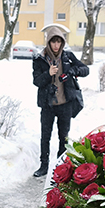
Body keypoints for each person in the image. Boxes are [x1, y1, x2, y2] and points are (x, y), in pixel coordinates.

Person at [31, 25, 89, 178]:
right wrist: (48, 74)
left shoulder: (68, 57)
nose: (56, 45)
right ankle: (43, 166)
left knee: (64, 136)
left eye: (59, 42)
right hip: (47, 105)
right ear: (48, 43)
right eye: (53, 42)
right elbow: (36, 81)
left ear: (62, 42)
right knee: (46, 136)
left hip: (65, 104)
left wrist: (72, 71)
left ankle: (60, 166)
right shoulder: (40, 59)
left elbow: (85, 70)